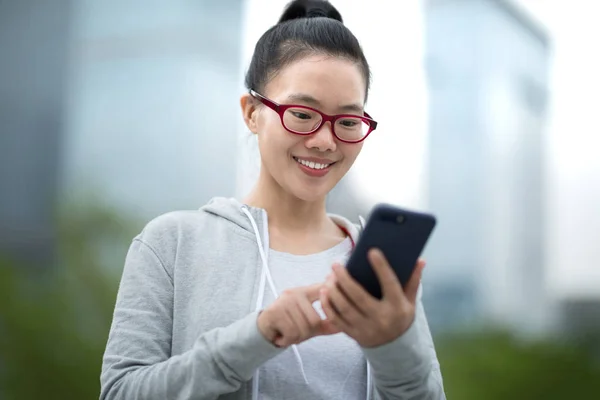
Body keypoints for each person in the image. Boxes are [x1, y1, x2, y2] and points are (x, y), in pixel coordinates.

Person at [100, 0, 445, 399]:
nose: (325, 141)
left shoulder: (376, 264)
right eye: (302, 113)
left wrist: (393, 347)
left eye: (348, 121)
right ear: (252, 112)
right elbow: (120, 393)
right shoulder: (173, 244)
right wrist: (257, 335)